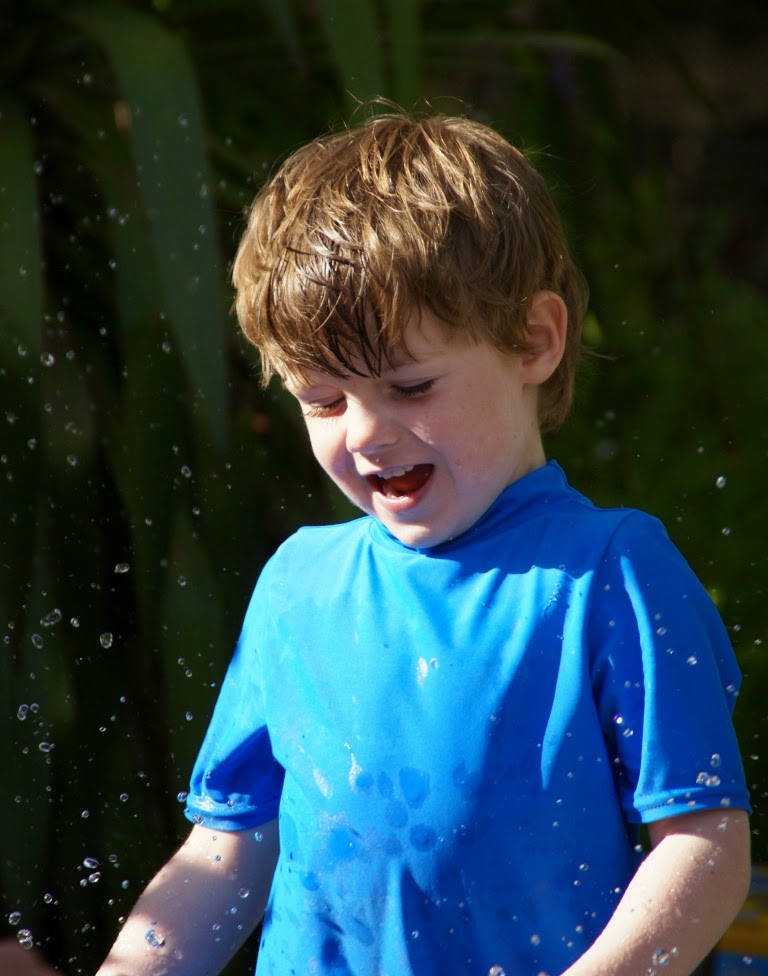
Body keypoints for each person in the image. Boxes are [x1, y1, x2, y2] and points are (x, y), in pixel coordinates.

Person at [95, 110, 751, 976]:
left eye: (410, 386)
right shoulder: (299, 586)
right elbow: (224, 855)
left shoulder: (605, 574)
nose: (365, 433)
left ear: (534, 341)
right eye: (323, 401)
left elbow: (706, 844)